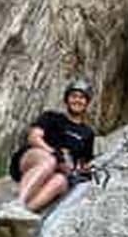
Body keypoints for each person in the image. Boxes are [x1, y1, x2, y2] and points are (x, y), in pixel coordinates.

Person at [7, 78, 96, 215]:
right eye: (74, 96)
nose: (77, 100)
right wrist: (53, 152)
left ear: (87, 102)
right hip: (34, 158)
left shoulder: (87, 133)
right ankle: (19, 202)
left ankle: (21, 212)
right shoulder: (51, 117)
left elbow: (84, 162)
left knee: (61, 181)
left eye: (82, 97)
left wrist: (83, 170)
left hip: (59, 170)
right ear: (67, 99)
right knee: (50, 160)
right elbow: (34, 137)